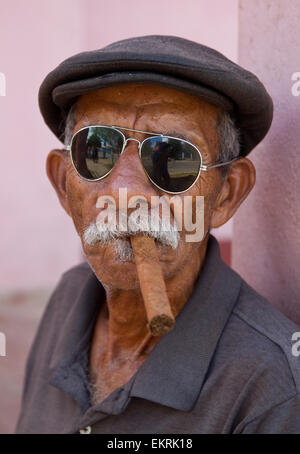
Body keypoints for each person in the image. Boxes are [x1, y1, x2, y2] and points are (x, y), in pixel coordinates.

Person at [16, 35, 300, 434]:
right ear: (64, 185)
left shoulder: (272, 386)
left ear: (226, 195)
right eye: (97, 150)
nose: (125, 192)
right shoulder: (69, 297)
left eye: (173, 158)